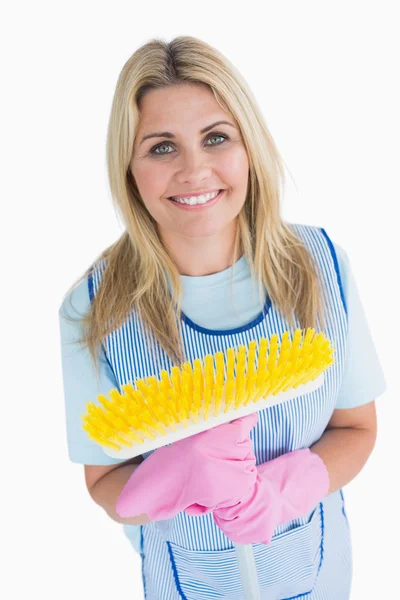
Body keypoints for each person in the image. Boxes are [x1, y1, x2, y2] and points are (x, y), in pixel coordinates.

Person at [58, 36, 387, 599]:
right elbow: (102, 480)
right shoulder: (94, 307)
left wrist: (286, 488)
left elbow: (357, 429)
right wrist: (168, 478)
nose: (195, 169)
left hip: (316, 562)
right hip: (183, 578)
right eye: (161, 147)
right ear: (129, 168)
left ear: (249, 148)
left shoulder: (320, 266)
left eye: (217, 138)